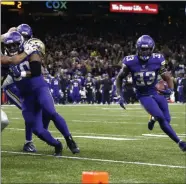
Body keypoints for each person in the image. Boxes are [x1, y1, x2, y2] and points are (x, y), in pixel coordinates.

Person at [3, 31, 80, 155]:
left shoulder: (31, 50)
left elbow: (36, 71)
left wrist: (21, 74)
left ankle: (69, 139)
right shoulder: (6, 58)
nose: (12, 48)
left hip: (39, 88)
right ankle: (57, 144)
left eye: (15, 45)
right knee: (36, 129)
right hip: (26, 96)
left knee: (51, 112)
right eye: (9, 46)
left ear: (21, 42)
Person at [116, 35, 186, 152]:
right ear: (138, 49)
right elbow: (119, 78)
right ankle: (180, 142)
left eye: (147, 49)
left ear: (152, 49)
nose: (145, 52)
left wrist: (171, 91)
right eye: (142, 49)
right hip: (143, 95)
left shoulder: (158, 60)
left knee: (167, 119)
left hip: (155, 92)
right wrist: (119, 95)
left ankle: (152, 119)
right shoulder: (130, 62)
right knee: (161, 118)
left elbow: (167, 77)